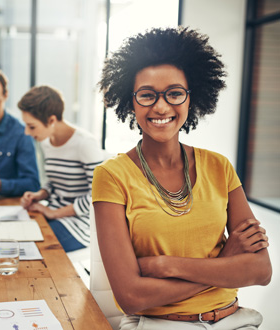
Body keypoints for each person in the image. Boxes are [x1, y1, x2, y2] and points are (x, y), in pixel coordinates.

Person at [92, 27, 272, 329]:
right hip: (160, 323)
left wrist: (165, 265)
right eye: (147, 95)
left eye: (174, 93)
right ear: (131, 101)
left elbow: (261, 270)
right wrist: (224, 265)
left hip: (235, 320)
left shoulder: (220, 167)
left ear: (192, 97)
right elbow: (131, 296)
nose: (161, 107)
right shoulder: (111, 176)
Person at [18, 85, 105, 252]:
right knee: (12, 236)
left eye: (32, 126)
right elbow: (54, 181)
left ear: (51, 120)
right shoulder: (46, 143)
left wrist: (54, 213)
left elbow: (99, 195)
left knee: (29, 248)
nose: (27, 132)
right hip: (51, 215)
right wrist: (40, 195)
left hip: (79, 225)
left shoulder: (85, 144)